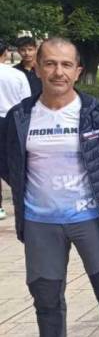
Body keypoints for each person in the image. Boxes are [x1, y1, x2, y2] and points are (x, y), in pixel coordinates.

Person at [0, 38, 99, 337]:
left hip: (92, 219)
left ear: (77, 71)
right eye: (50, 64)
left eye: (66, 65)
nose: (58, 72)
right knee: (46, 297)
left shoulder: (95, 113)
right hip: (39, 222)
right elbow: (8, 164)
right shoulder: (20, 117)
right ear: (37, 67)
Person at [0, 40, 30, 220]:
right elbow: (26, 101)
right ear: (5, 53)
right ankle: (23, 196)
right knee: (15, 160)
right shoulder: (16, 75)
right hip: (11, 121)